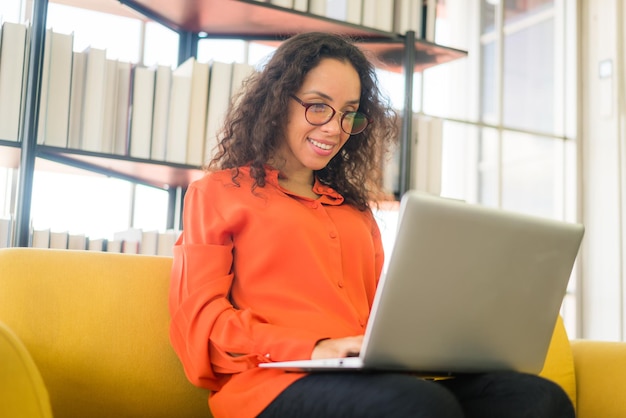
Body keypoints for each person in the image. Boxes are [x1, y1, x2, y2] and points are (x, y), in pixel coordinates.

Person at [168, 31, 575, 418]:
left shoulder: (355, 212)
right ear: (276, 103)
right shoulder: (217, 194)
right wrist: (316, 347)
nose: (334, 128)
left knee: (535, 398)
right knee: (417, 405)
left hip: (369, 378)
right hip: (270, 387)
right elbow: (202, 325)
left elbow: (382, 317)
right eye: (317, 106)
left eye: (349, 114)